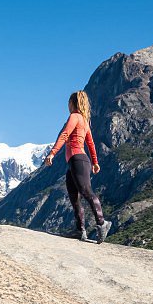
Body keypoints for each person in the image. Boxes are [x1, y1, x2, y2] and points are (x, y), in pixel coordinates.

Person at [45, 90, 112, 243]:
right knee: (74, 197)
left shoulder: (75, 117)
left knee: (86, 192)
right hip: (77, 162)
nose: (67, 106)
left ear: (73, 103)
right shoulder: (85, 121)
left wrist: (52, 153)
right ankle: (80, 230)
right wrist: (95, 162)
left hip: (78, 159)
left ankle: (102, 223)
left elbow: (64, 134)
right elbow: (91, 143)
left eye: (68, 103)